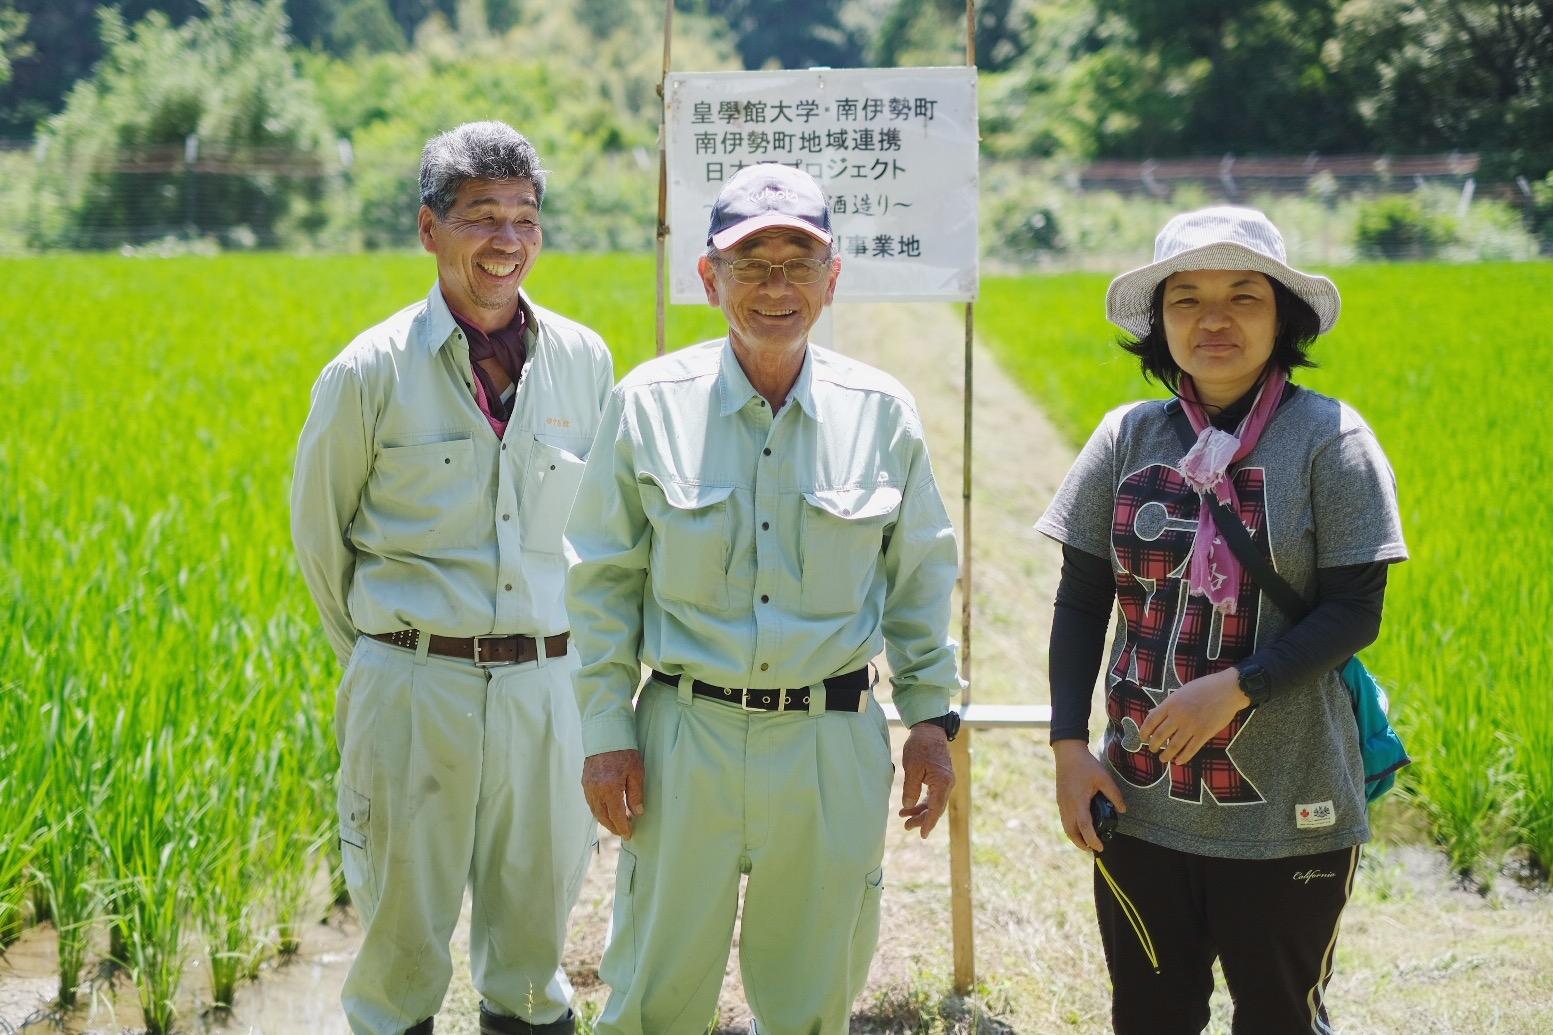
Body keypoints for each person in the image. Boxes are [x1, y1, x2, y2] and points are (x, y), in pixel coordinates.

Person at [564, 162, 964, 1035]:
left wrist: (932, 720)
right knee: (651, 996)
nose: (775, 287)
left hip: (828, 740)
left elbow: (920, 578)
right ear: (709, 278)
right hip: (684, 737)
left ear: (832, 279)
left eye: (797, 263)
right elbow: (601, 586)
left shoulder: (882, 413)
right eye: (750, 263)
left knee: (810, 996)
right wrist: (604, 734)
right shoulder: (647, 405)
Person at [1036, 206, 1408, 1034]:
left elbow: (1356, 608)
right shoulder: (1125, 436)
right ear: (1158, 321)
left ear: (1282, 316)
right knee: (1149, 1015)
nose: (1212, 319)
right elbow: (1081, 598)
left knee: (1279, 1016)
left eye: (1243, 296)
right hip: (1138, 803)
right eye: (1186, 298)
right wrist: (1068, 747)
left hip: (1292, 809)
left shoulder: (1330, 440)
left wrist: (1236, 688)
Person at [291, 121, 614, 1035]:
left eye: (524, 216)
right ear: (429, 229)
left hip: (548, 691)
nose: (507, 240)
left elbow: (604, 535)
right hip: (412, 686)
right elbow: (321, 541)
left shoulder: (585, 361)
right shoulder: (368, 371)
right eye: (481, 217)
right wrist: (393, 661)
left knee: (532, 959)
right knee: (399, 956)